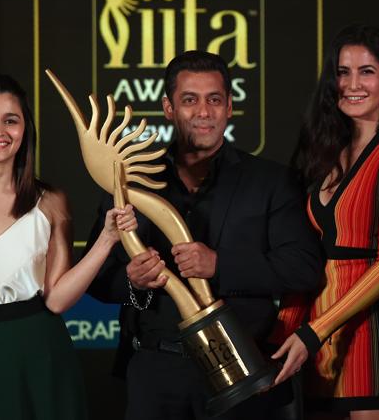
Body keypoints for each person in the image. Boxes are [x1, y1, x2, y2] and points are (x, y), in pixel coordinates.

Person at [86, 50, 323, 420]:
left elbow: (304, 268)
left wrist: (219, 265)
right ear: (168, 107)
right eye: (189, 100)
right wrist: (134, 283)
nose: (203, 111)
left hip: (243, 372)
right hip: (155, 371)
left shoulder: (271, 182)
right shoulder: (127, 182)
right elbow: (98, 279)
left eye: (214, 100)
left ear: (229, 106)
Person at [0, 74, 136, 420]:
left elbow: (58, 298)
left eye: (11, 120)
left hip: (42, 361)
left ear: (25, 130)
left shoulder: (51, 202)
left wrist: (107, 239)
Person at [270, 24, 379, 419]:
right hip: (317, 346)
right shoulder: (324, 153)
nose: (352, 83)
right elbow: (306, 261)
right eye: (343, 72)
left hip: (376, 334)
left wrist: (312, 332)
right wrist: (279, 337)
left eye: (367, 71)